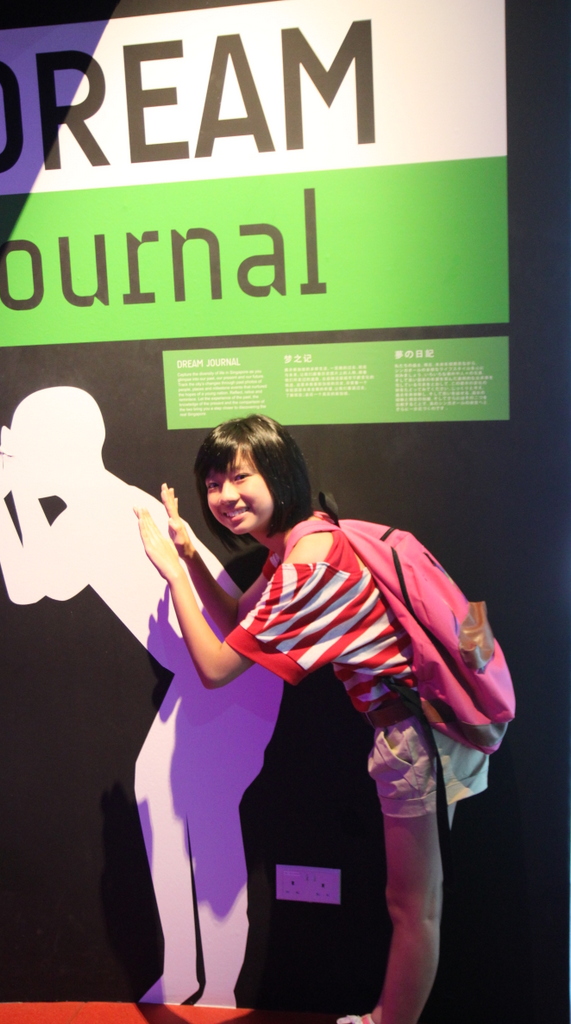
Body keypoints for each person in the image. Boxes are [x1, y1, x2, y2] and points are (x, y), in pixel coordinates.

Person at [135, 414, 488, 1024]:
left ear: (279, 473)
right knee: (413, 904)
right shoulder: (304, 541)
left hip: (418, 737)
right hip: (414, 732)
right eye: (213, 484)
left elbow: (217, 667)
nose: (224, 496)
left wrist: (170, 571)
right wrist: (191, 556)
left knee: (414, 909)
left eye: (239, 477)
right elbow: (239, 620)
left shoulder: (305, 568)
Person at [0, 387, 283, 1007]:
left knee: (203, 815)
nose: (19, 455)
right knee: (164, 799)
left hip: (229, 680)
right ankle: (191, 974)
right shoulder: (107, 502)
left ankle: (214, 983)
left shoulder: (97, 510)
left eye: (26, 445)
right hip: (211, 680)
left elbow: (27, 581)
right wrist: (14, 497)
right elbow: (40, 576)